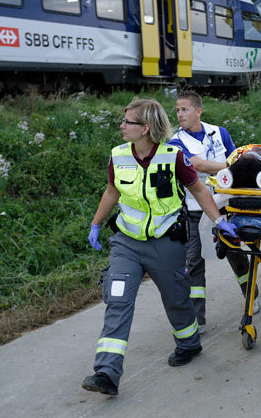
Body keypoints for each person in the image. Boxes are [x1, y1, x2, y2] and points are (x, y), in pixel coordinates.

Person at [83, 98, 238, 396]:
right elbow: (112, 190)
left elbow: (199, 189)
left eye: (127, 122)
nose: (122, 126)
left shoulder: (173, 157)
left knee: (177, 299)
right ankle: (106, 372)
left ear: (144, 128)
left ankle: (189, 343)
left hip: (166, 242)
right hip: (126, 243)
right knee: (117, 301)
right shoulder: (118, 156)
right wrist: (96, 223)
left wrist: (218, 222)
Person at [168, 91, 258, 335]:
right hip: (196, 209)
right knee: (194, 262)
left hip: (225, 204)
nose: (179, 114)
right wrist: (233, 166)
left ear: (198, 111)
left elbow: (232, 154)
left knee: (234, 252)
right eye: (177, 110)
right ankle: (199, 318)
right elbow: (197, 165)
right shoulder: (175, 142)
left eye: (184, 109)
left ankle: (251, 295)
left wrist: (236, 165)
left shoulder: (219, 132)